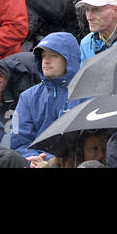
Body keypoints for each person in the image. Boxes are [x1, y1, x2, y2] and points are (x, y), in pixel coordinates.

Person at [9, 31, 83, 159]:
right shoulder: (27, 97)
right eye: (43, 56)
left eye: (53, 55)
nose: (46, 61)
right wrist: (33, 160)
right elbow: (18, 143)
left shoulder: (87, 94)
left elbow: (88, 144)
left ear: (69, 59)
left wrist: (50, 162)